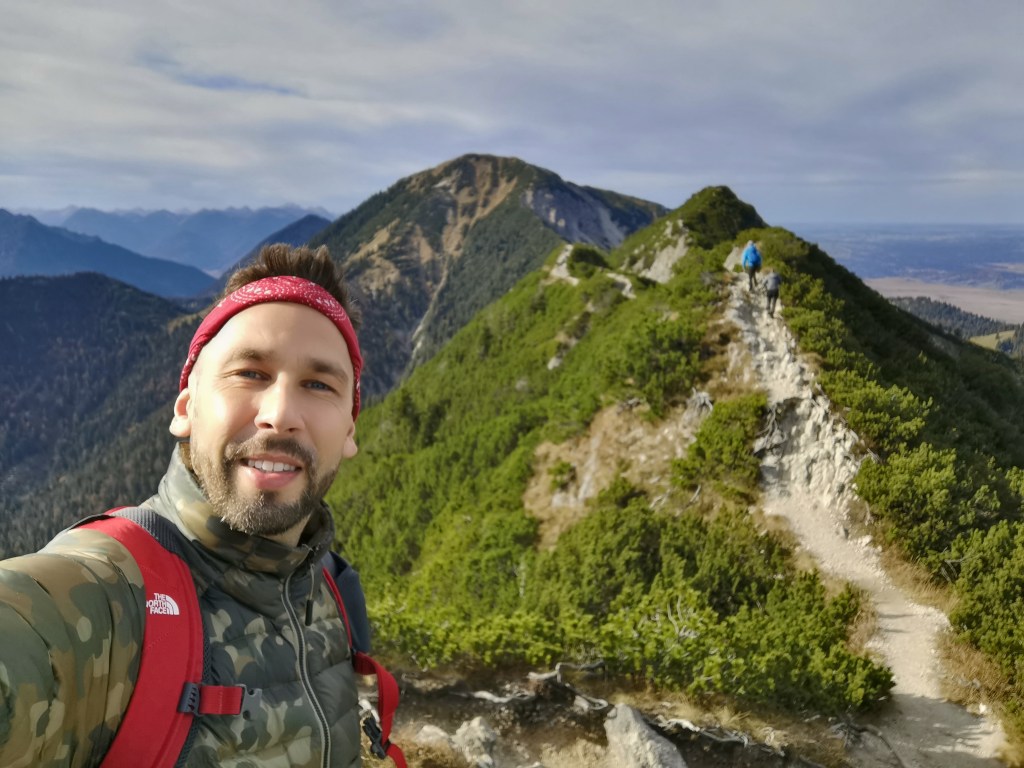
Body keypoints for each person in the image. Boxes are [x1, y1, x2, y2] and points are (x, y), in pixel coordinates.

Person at [0, 244, 372, 767]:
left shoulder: (327, 586)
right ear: (185, 408)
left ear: (349, 430)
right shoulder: (109, 594)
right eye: (250, 373)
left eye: (318, 384)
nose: (281, 414)